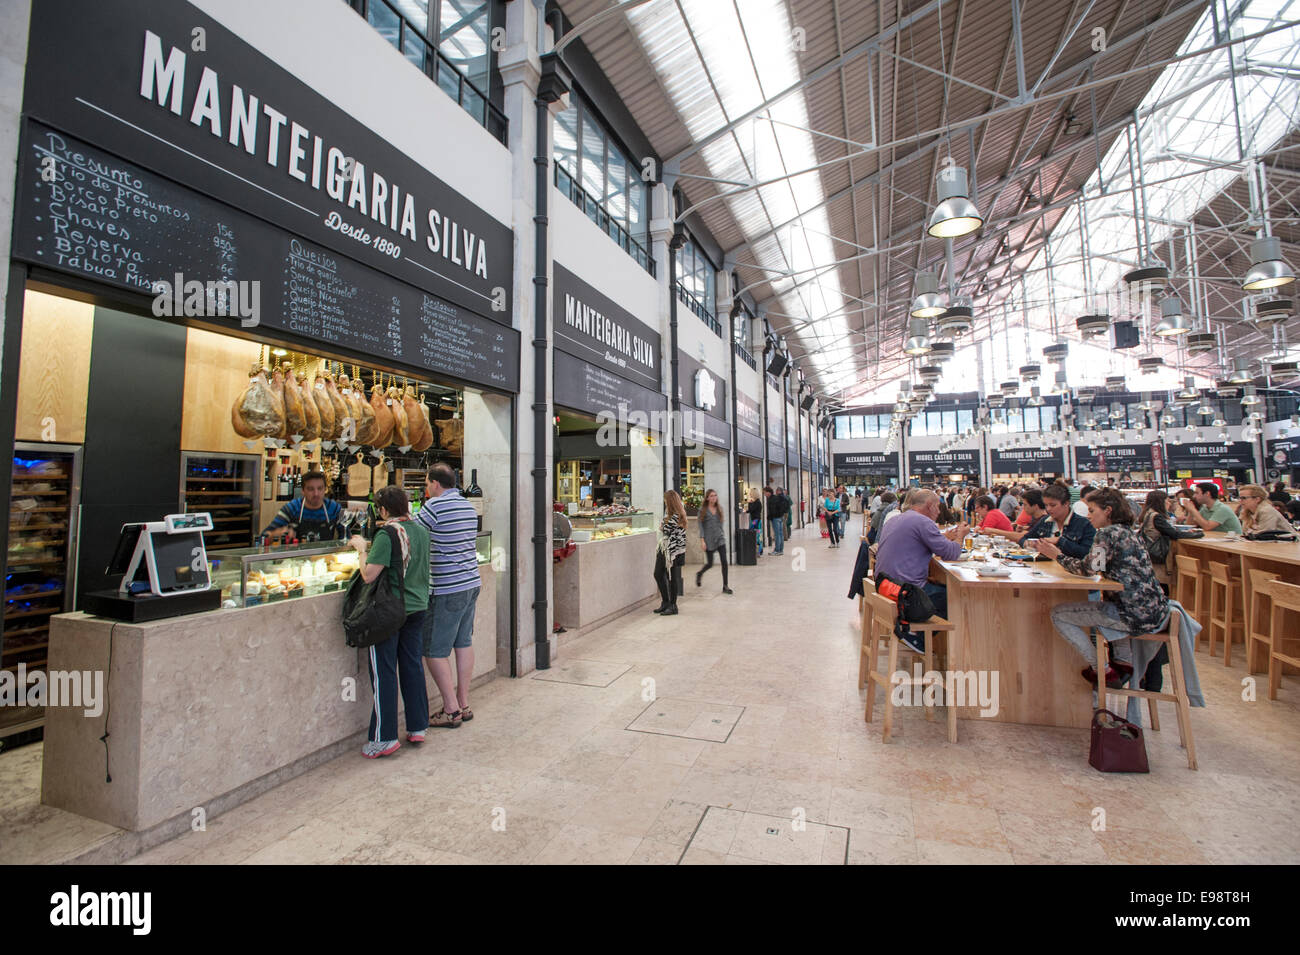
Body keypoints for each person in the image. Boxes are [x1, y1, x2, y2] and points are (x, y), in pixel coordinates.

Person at [1032, 488, 1169, 690]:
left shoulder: (1107, 533)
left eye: (1092, 510)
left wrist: (1056, 555)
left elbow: (1088, 569)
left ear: (1108, 511)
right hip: (1155, 611)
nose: (1088, 516)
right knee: (1104, 605)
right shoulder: (1128, 531)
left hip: (1131, 615)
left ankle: (1102, 670)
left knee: (1058, 614)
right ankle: (1123, 662)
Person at [348, 485, 431, 757]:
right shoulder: (420, 530)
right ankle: (418, 727)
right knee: (411, 666)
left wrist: (361, 548)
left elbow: (369, 574)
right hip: (417, 606)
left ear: (383, 509)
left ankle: (384, 737)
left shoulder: (387, 533)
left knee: (383, 671)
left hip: (390, 611)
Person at [414, 463, 481, 729]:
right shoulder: (466, 505)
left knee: (433, 650)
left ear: (434, 484)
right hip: (471, 582)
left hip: (446, 587)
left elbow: (413, 536)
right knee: (463, 643)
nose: (427, 490)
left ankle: (451, 709)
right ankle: (464, 703)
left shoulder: (434, 507)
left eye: (427, 485)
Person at [873, 489, 968, 652]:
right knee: (955, 596)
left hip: (886, 587)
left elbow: (917, 541)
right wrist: (961, 537)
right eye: (938, 507)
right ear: (929, 506)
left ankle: (919, 635)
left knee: (941, 589)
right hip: (904, 594)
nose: (939, 512)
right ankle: (918, 639)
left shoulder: (896, 519)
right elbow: (950, 553)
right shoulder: (923, 522)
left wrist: (945, 537)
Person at [1137, 489, 1203, 574]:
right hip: (1158, 556)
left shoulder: (1148, 513)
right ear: (1161, 502)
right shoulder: (1157, 517)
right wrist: (1197, 534)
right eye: (1167, 501)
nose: (1170, 503)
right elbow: (1174, 534)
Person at [263, 470, 342, 540]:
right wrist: (276, 533)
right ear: (303, 491)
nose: (316, 493)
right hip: (297, 555)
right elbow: (263, 537)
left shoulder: (334, 508)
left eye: (320, 488)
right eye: (311, 489)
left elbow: (346, 536)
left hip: (326, 556)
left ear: (325, 489)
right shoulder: (292, 508)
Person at [653, 489, 688, 615]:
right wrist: (663, 526)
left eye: (665, 500)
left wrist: (663, 526)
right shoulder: (670, 513)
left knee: (672, 577)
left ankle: (673, 605)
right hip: (665, 548)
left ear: (670, 501)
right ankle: (666, 602)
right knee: (658, 574)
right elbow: (664, 527)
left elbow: (665, 528)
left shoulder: (677, 514)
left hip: (674, 550)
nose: (664, 502)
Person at [1040, 483, 1095, 558]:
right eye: (1046, 505)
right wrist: (1028, 543)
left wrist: (1060, 541)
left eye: (1053, 505)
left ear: (1066, 503)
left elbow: (1087, 553)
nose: (1048, 509)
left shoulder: (1084, 524)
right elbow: (1026, 538)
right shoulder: (1045, 521)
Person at [695, 488, 732, 594]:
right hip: (708, 539)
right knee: (710, 563)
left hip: (720, 538)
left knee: (724, 562)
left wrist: (721, 534)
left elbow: (721, 523)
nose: (714, 497)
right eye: (711, 496)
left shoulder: (720, 508)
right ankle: (700, 573)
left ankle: (725, 586)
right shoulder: (702, 510)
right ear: (707, 498)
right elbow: (700, 526)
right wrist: (702, 540)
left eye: (715, 495)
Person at [983, 489, 1051, 544]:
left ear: (1035, 506)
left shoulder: (1043, 521)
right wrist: (1023, 528)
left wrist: (993, 530)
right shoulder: (1036, 518)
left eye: (1025, 505)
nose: (1023, 508)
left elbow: (1022, 537)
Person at [1178, 482, 1242, 533]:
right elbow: (1190, 525)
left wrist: (1193, 510)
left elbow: (1208, 526)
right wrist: (1190, 511)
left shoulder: (1222, 509)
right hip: (1217, 541)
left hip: (1233, 543)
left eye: (1197, 493)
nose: (1194, 496)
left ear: (1207, 494)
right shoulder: (1204, 508)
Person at [764, 486, 788, 556]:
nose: (764, 494)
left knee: (777, 535)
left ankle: (777, 550)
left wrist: (770, 517)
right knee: (780, 534)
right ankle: (780, 550)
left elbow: (773, 510)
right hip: (780, 517)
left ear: (768, 492)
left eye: (765, 493)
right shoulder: (776, 498)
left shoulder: (772, 499)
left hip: (775, 518)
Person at [746, 488, 765, 556]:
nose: (750, 494)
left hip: (755, 521)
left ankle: (758, 551)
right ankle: (759, 550)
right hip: (756, 520)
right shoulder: (757, 502)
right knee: (758, 535)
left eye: (751, 493)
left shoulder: (757, 502)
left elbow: (751, 509)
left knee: (756, 535)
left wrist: (749, 503)